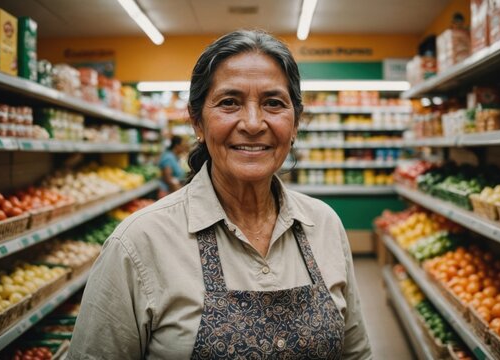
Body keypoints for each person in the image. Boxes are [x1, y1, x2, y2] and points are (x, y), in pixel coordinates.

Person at [67, 29, 372, 359]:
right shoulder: (139, 243)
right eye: (229, 103)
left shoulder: (324, 225)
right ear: (197, 122)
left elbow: (356, 353)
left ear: (295, 123)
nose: (253, 123)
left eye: (273, 103)